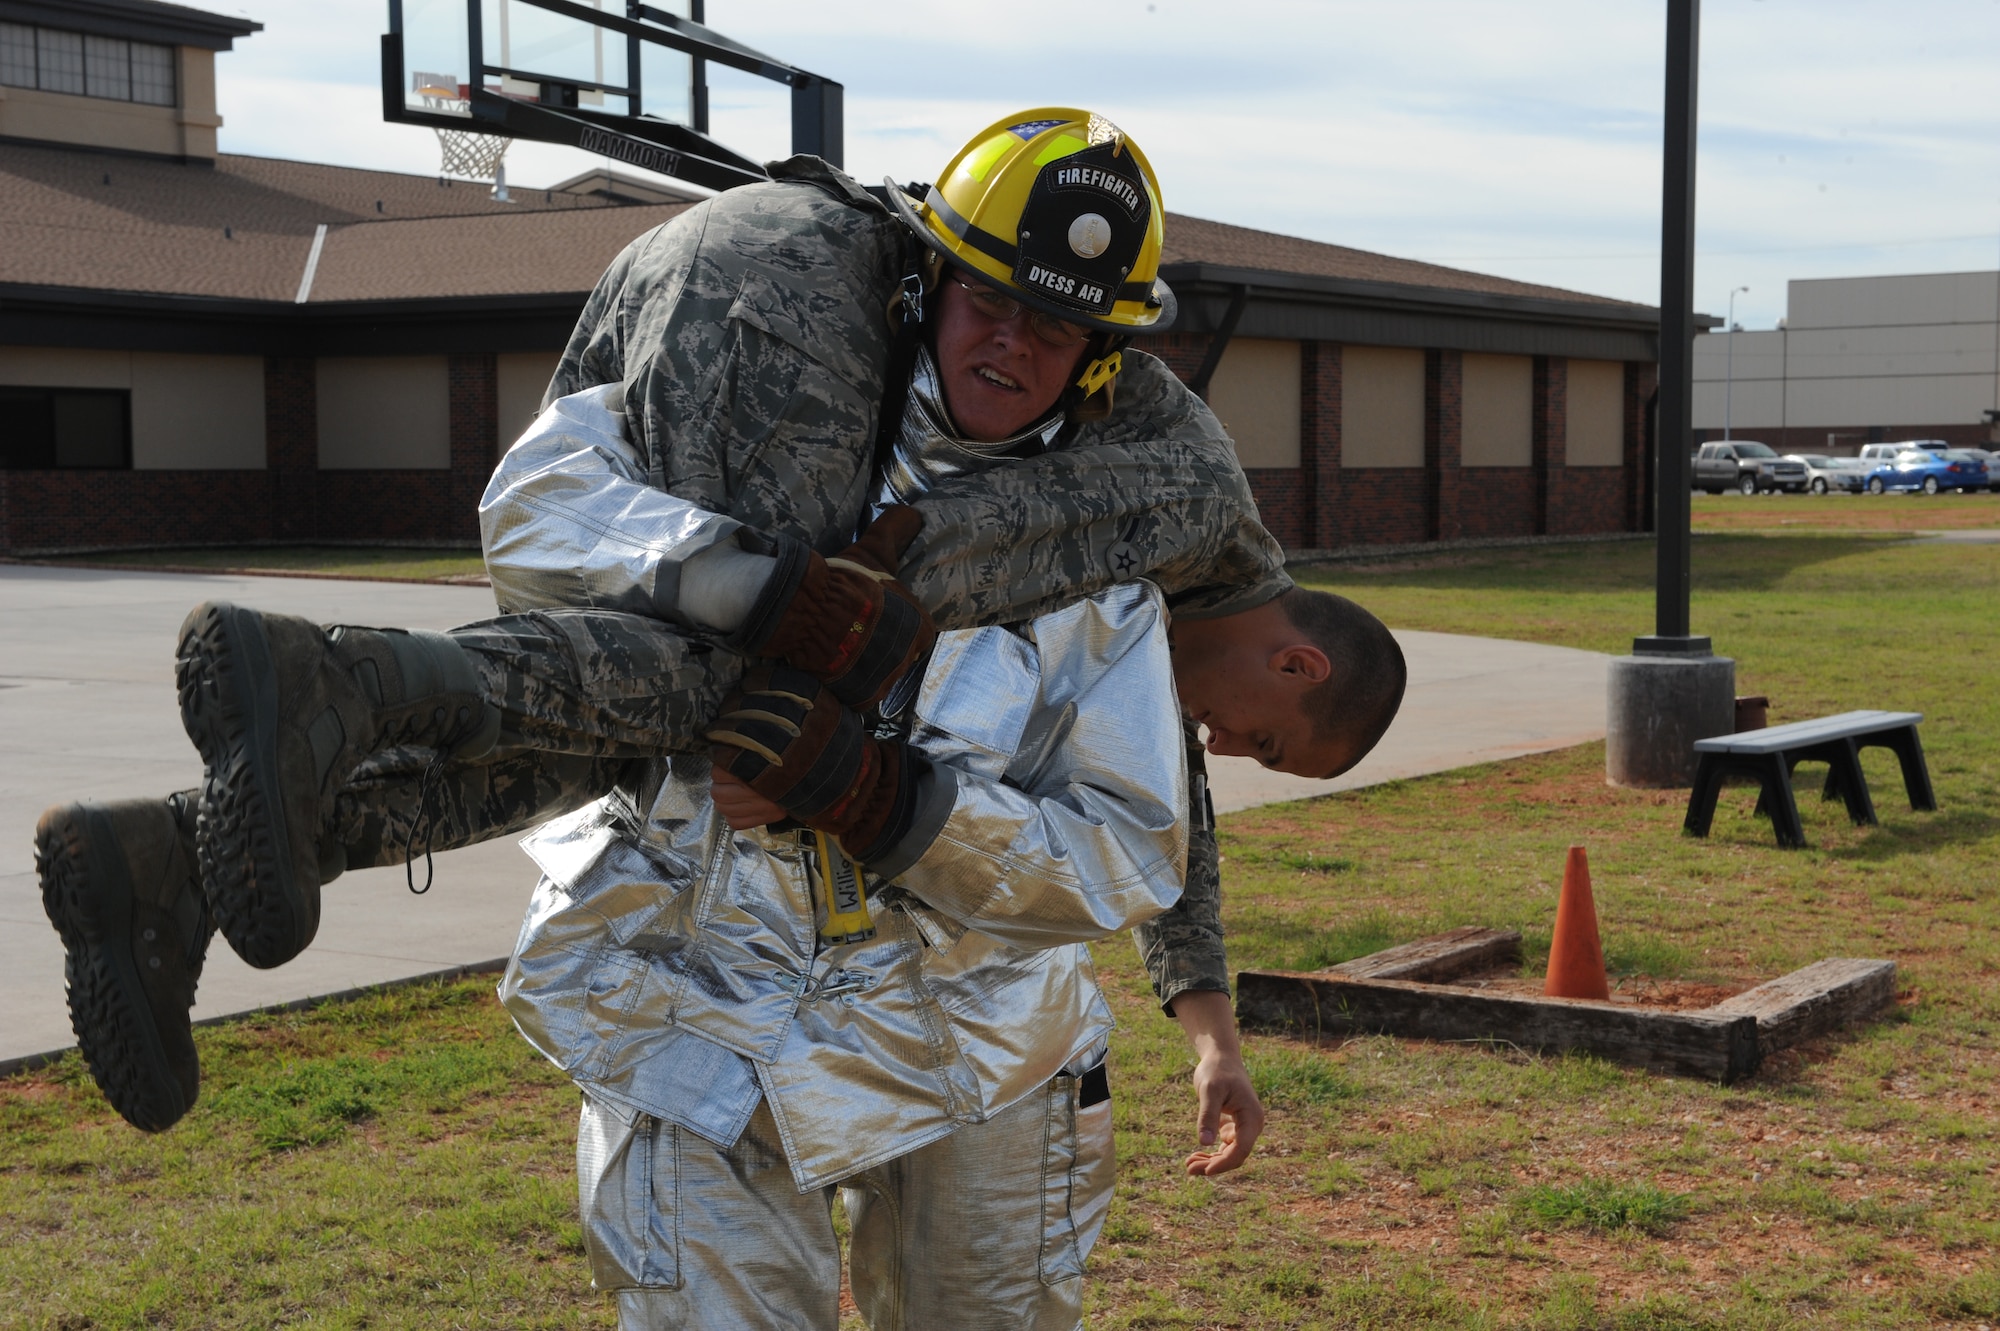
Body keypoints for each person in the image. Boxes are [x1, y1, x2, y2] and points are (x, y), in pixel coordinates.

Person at [37, 115, 1398, 1217]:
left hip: (702, 332)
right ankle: (348, 685)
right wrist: (800, 645)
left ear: (1100, 364)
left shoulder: (1158, 514)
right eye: (1269, 738)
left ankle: (172, 856)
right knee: (744, 673)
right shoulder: (873, 330)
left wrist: (1207, 1018)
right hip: (750, 309)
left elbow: (1158, 809)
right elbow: (1155, 788)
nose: (1229, 753)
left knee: (667, 732)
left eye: (1056, 334)